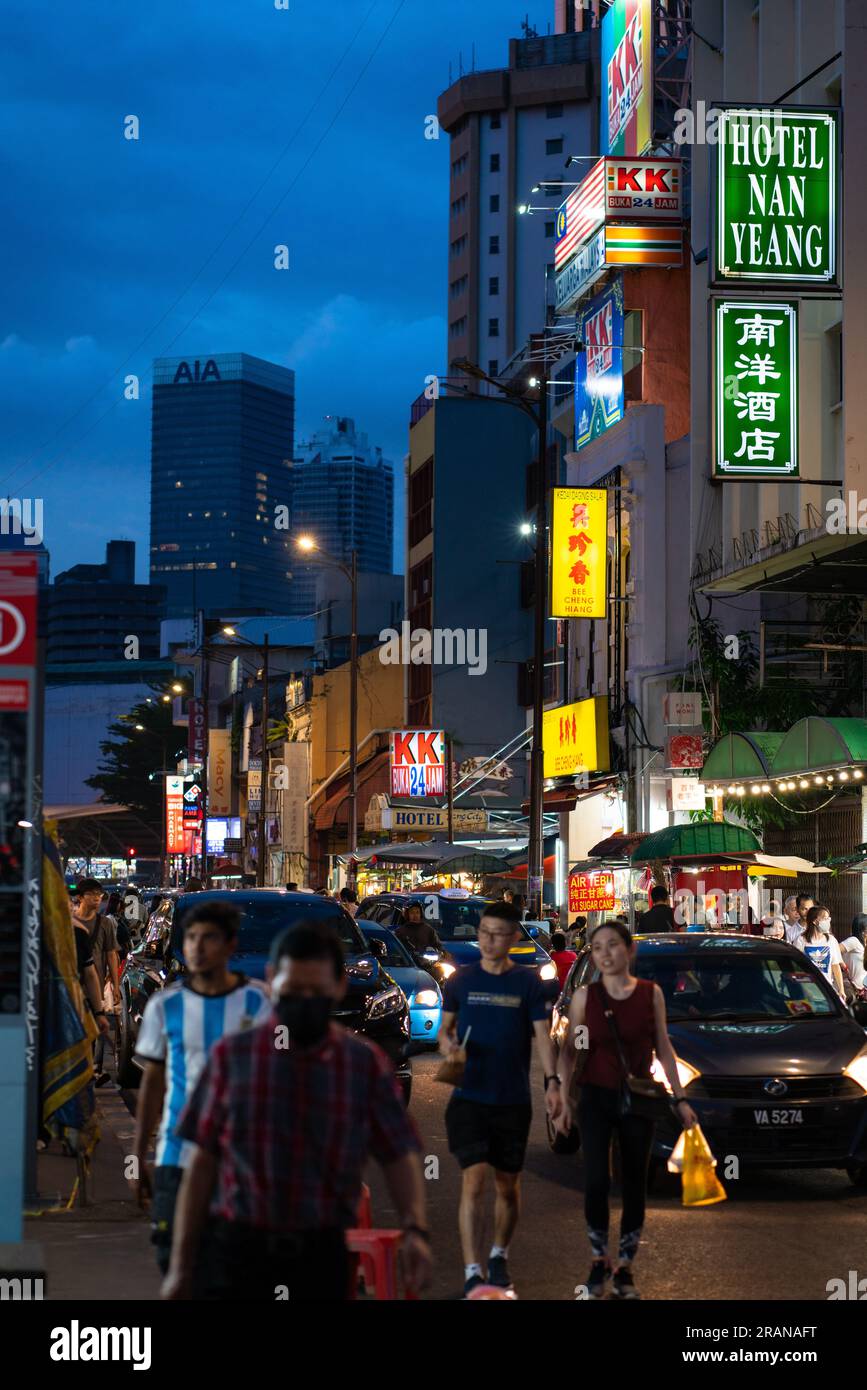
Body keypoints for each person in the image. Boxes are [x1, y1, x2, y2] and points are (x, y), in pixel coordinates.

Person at [162, 920, 432, 1301]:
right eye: (293, 992)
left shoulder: (362, 1066)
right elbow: (201, 1163)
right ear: (272, 981)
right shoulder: (232, 1058)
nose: (303, 1003)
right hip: (237, 1249)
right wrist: (181, 1264)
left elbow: (398, 1154)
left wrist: (415, 1230)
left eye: (316, 993)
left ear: (338, 987)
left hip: (322, 1253)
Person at [131, 901, 272, 1285]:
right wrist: (139, 1153)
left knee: (236, 1265)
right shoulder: (165, 1005)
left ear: (230, 945)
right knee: (172, 1256)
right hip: (176, 1154)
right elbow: (153, 1083)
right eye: (191, 938)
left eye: (208, 938)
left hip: (241, 1158)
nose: (197, 947)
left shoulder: (260, 1004)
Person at [556, 921, 698, 1301]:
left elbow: (664, 1048)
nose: (605, 953)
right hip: (595, 1098)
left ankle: (625, 1266)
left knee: (634, 1183)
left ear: (629, 952)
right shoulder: (586, 998)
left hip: (638, 1099)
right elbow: (571, 1050)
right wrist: (560, 1098)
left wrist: (680, 1098)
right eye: (597, 947)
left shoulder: (651, 995)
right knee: (597, 1181)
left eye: (613, 945)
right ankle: (598, 1259)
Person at [439, 901, 561, 1297]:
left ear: (512, 937)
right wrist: (449, 1046)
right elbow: (445, 1031)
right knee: (473, 1181)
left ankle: (498, 1255)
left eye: (497, 934)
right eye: (484, 933)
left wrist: (554, 1083)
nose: (489, 941)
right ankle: (472, 1270)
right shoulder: (460, 981)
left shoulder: (528, 983)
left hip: (512, 1099)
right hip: (469, 1096)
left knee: (508, 1186)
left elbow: (543, 1035)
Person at [73, 878, 120, 1086]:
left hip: (95, 984)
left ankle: (92, 1069)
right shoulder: (70, 922)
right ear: (80, 897)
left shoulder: (105, 923)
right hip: (72, 985)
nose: (97, 898)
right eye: (91, 894)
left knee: (94, 1027)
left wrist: (116, 985)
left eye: (99, 895)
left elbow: (111, 954)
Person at [794, 904, 845, 1000]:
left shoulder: (831, 940)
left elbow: (835, 966)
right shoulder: (800, 940)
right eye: (825, 919)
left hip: (827, 989)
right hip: (807, 991)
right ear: (815, 921)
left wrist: (841, 989)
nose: (828, 921)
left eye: (828, 918)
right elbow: (797, 967)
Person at [840, 915, 867, 993]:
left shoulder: (864, 943)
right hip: (853, 989)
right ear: (862, 928)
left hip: (863, 989)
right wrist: (842, 965)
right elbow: (835, 950)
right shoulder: (853, 941)